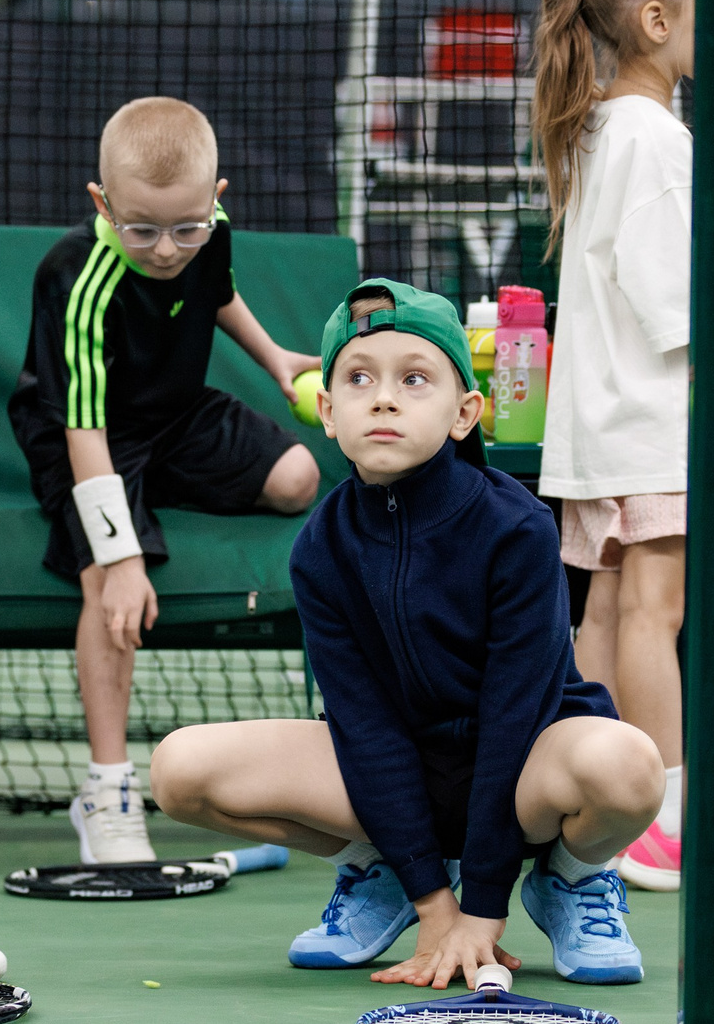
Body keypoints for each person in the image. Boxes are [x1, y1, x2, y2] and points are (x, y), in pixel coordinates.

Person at [150, 281, 664, 984]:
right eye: (359, 379)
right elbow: (364, 726)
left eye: (414, 379)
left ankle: (570, 879)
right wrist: (432, 901)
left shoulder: (518, 528)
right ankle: (381, 873)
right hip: (396, 777)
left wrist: (480, 911)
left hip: (525, 769)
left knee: (629, 765)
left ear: (465, 413)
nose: (384, 398)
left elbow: (515, 717)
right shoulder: (320, 548)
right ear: (328, 412)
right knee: (180, 772)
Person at [7, 97, 322, 863]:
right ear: (102, 204)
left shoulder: (205, 237)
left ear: (214, 200)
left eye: (187, 227)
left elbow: (218, 294)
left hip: (174, 415)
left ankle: (144, 505)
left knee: (298, 478)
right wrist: (118, 558)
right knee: (111, 600)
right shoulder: (75, 279)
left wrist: (277, 358)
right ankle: (107, 788)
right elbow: (83, 430)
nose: (167, 248)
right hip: (84, 435)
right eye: (141, 228)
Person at [532, 0, 698, 894]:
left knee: (601, 617)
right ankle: (654, 817)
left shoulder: (601, 124)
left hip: (600, 432)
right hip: (649, 428)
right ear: (650, 19)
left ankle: (583, 804)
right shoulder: (653, 138)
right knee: (650, 612)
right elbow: (670, 298)